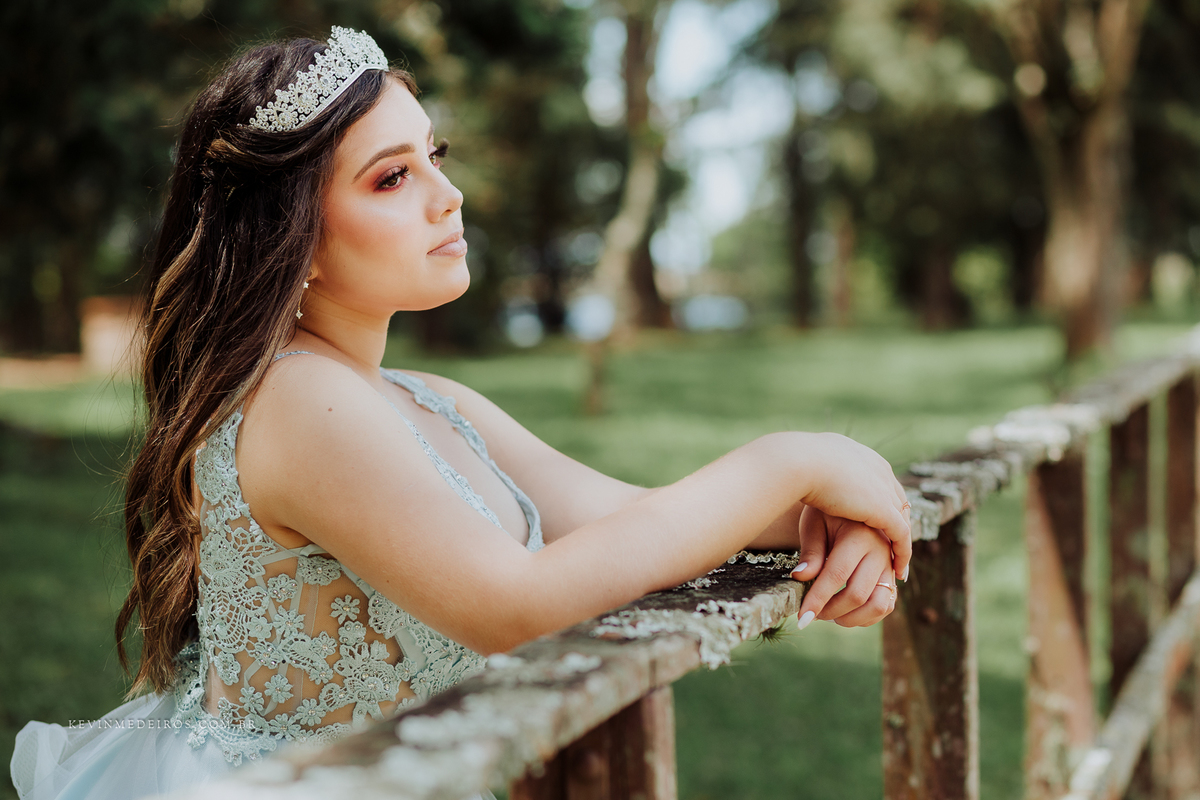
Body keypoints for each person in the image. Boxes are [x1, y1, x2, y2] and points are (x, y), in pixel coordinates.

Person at [9, 27, 911, 800]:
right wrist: (794, 458)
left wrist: (830, 522)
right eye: (391, 179)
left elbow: (636, 519)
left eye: (433, 156)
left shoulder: (428, 401)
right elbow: (514, 607)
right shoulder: (293, 400)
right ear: (298, 238)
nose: (450, 195)